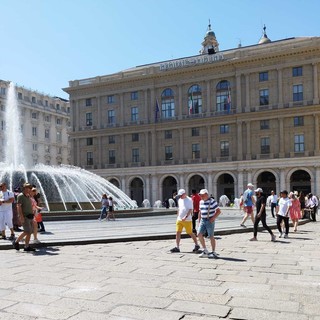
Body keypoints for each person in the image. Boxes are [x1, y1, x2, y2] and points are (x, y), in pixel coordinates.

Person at [170, 189, 200, 253]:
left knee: (190, 233)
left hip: (187, 220)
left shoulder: (189, 200)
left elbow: (190, 209)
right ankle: (177, 247)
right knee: (178, 232)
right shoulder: (180, 200)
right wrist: (178, 215)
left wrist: (185, 217)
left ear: (184, 194)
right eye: (179, 195)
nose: (180, 196)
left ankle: (197, 244)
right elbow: (179, 208)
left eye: (181, 195)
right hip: (179, 219)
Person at [197, 188, 221, 258]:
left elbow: (218, 211)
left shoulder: (212, 202)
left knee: (211, 236)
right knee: (199, 234)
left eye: (202, 195)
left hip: (209, 221)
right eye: (200, 195)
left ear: (207, 195)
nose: (201, 196)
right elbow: (200, 211)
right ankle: (205, 250)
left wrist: (213, 218)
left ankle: (213, 252)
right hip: (203, 220)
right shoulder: (201, 202)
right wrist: (199, 221)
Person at [13, 183, 36, 252]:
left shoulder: (28, 196)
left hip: (30, 216)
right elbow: (18, 207)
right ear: (24, 188)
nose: (28, 189)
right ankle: (21, 243)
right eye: (27, 188)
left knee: (29, 231)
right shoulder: (21, 196)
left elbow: (30, 205)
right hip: (25, 216)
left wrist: (33, 213)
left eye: (29, 188)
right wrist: (21, 217)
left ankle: (22, 244)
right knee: (28, 231)